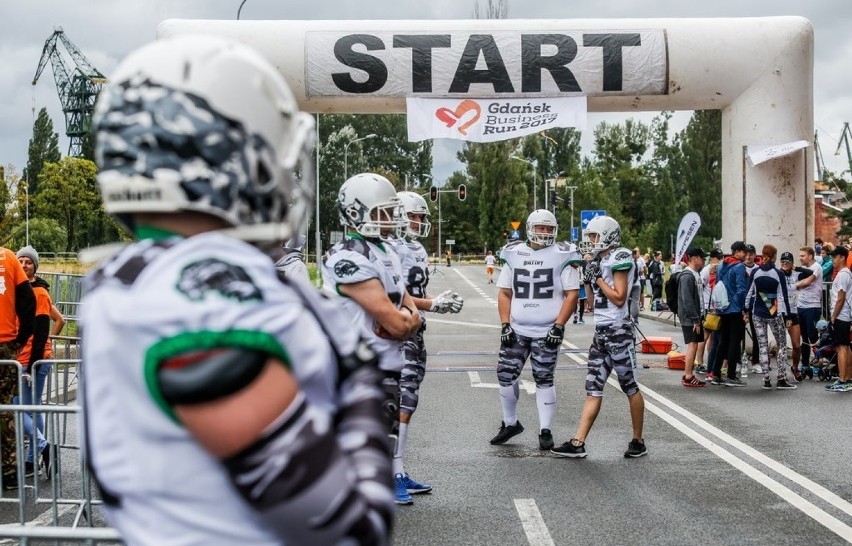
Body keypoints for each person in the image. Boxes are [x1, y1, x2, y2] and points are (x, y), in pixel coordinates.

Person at [81, 35, 394, 544]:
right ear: (235, 161)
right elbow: (345, 525)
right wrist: (359, 378)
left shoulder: (144, 275)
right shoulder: (206, 303)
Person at [322, 173, 422, 505]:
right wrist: (403, 322)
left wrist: (406, 321)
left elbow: (407, 309)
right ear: (356, 212)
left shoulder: (385, 250)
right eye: (382, 212)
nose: (391, 218)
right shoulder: (347, 256)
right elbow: (396, 322)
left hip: (387, 363)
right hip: (361, 368)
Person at [387, 191, 463, 504]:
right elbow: (392, 293)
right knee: (400, 402)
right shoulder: (389, 247)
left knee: (409, 401)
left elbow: (414, 289)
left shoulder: (416, 247)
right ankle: (390, 473)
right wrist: (432, 304)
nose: (418, 222)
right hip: (396, 331)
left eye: (421, 217)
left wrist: (432, 299)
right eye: (413, 215)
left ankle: (398, 468)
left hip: (415, 332)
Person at [552, 215, 647, 459]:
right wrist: (587, 279)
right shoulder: (598, 260)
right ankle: (578, 441)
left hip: (619, 331)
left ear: (607, 235)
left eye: (594, 236)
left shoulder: (620, 256)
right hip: (601, 332)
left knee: (629, 385)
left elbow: (619, 297)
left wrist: (595, 277)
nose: (591, 241)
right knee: (593, 386)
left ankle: (638, 440)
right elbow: (592, 305)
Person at [491, 209, 580, 451]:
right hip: (518, 329)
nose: (545, 232)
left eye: (549, 228)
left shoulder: (563, 254)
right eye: (541, 227)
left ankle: (545, 429)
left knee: (544, 378)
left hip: (546, 330)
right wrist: (505, 324)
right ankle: (510, 423)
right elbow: (505, 292)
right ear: (531, 228)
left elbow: (572, 295)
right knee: (505, 375)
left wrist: (559, 326)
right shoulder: (514, 252)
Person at [14, 245, 64, 478]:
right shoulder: (19, 290)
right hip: (21, 357)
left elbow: (43, 328)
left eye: (28, 262)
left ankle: (42, 448)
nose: (24, 265)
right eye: (20, 261)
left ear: (35, 266)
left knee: (17, 407)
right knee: (32, 410)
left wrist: (33, 362)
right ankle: (34, 460)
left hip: (33, 360)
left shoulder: (39, 293)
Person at [0, 245, 35, 489]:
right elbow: (27, 299)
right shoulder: (8, 257)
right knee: (5, 411)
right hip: (4, 344)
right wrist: (20, 339)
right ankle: (10, 472)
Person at [744, 245, 794, 389]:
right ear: (773, 256)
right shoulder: (778, 274)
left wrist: (745, 309)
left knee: (762, 346)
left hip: (757, 313)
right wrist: (788, 315)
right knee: (782, 345)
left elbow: (749, 293)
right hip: (774, 313)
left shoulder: (755, 272)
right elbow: (783, 296)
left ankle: (766, 379)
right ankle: (781, 378)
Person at [709, 241, 749, 387]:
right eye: (744, 252)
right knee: (734, 342)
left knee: (722, 341)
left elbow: (719, 286)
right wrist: (745, 308)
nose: (745, 255)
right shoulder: (739, 267)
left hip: (722, 308)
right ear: (737, 252)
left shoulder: (721, 266)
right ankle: (731, 375)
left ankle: (716, 373)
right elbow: (741, 289)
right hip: (735, 309)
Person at [779, 251, 812, 381]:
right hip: (780, 312)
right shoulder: (778, 274)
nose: (784, 263)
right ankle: (781, 373)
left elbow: (809, 273)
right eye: (782, 261)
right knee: (781, 345)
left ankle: (794, 367)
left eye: (787, 261)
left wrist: (795, 268)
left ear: (792, 263)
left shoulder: (795, 274)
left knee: (797, 346)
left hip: (793, 312)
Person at [677, 247, 706, 387]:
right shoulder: (687, 276)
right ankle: (688, 376)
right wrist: (695, 319)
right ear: (695, 258)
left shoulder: (695, 274)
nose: (704, 261)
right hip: (690, 318)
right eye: (702, 258)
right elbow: (687, 299)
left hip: (695, 317)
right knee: (693, 345)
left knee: (694, 345)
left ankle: (688, 374)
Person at [826, 246, 852, 392]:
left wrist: (833, 317)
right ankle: (847, 378)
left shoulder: (842, 274)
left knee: (841, 347)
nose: (832, 260)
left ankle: (842, 380)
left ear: (842, 257)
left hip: (841, 315)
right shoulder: (846, 273)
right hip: (845, 315)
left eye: (834, 257)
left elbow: (840, 298)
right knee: (846, 347)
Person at [797, 246, 823, 377]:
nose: (800, 258)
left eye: (803, 256)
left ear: (810, 256)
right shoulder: (802, 269)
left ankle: (818, 362)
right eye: (800, 255)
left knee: (813, 336)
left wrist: (796, 285)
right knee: (804, 338)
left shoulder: (816, 267)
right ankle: (805, 364)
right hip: (801, 306)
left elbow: (807, 282)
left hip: (812, 307)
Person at [697, 248, 723, 373]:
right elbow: (700, 286)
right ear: (712, 258)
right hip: (708, 307)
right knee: (705, 335)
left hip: (715, 306)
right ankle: (700, 362)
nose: (720, 260)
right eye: (718, 258)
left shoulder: (718, 268)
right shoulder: (707, 270)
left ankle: (709, 362)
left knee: (712, 337)